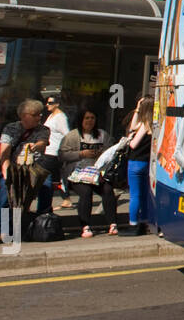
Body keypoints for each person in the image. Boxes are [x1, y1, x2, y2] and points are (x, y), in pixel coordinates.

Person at [0, 99, 50, 238]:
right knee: (5, 192)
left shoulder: (43, 129)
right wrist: (7, 174)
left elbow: (43, 142)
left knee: (46, 186)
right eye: (35, 114)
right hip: (14, 168)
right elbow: (4, 154)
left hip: (35, 168)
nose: (39, 117)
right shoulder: (10, 129)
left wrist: (35, 146)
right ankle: (4, 229)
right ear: (23, 115)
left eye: (40, 114)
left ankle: (41, 225)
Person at [60, 108, 116, 237]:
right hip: (77, 174)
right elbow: (62, 155)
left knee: (107, 190)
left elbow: (111, 151)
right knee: (86, 192)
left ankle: (113, 224)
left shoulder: (102, 135)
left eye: (92, 118)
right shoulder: (72, 136)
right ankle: (85, 226)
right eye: (87, 118)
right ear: (81, 120)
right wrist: (81, 154)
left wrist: (102, 154)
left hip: (96, 173)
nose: (90, 121)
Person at [124, 96, 158, 236]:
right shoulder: (155, 123)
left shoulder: (144, 125)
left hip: (136, 162)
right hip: (147, 163)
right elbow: (133, 126)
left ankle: (133, 223)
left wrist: (137, 110)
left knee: (135, 195)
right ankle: (145, 221)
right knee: (144, 194)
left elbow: (133, 144)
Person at [41, 95, 70, 211]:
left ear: (57, 104)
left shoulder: (60, 117)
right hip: (48, 150)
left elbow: (66, 134)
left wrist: (65, 149)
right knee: (58, 177)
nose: (47, 105)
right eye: (47, 103)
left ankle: (46, 205)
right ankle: (66, 199)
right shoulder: (51, 116)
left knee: (47, 177)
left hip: (54, 151)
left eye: (50, 103)